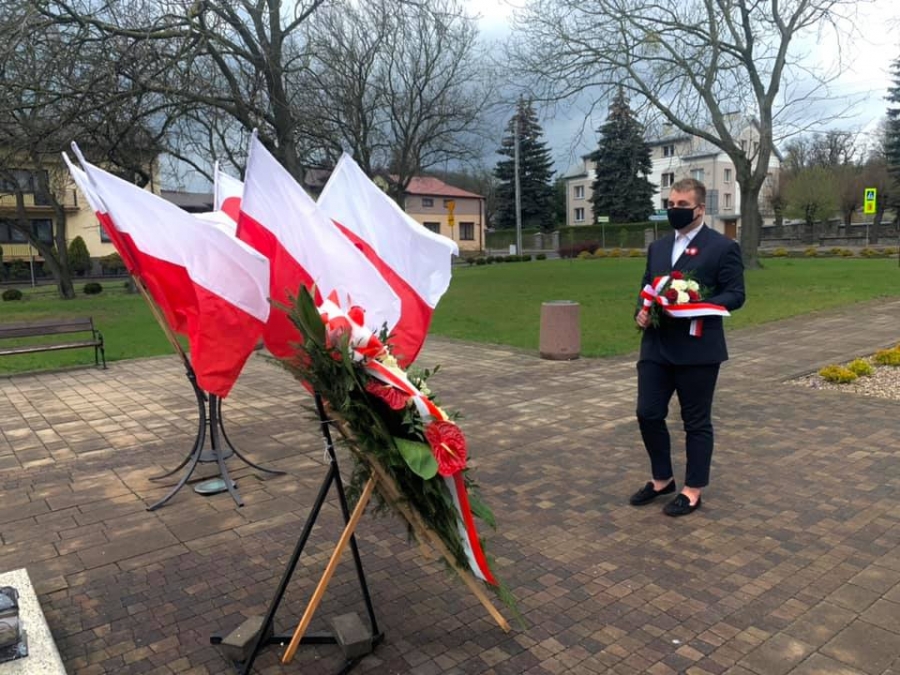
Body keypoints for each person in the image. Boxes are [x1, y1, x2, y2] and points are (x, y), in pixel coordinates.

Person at [631, 178, 745, 516]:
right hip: (657, 345)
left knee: (695, 421)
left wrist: (698, 305)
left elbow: (736, 294)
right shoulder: (658, 247)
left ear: (700, 209)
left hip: (697, 348)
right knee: (647, 412)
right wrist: (641, 310)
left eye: (682, 205)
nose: (675, 210)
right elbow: (647, 287)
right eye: (671, 204)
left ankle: (693, 489)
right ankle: (662, 478)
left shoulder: (722, 247)